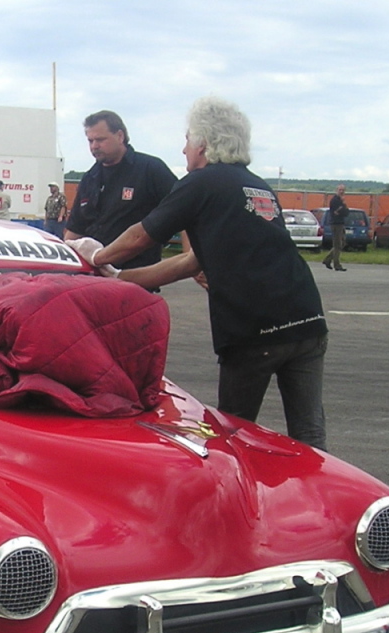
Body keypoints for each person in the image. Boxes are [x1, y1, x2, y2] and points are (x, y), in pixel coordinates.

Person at [69, 96, 329, 451]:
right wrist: (117, 277)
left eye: (188, 139)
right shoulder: (257, 185)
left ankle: (235, 501)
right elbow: (188, 263)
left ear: (204, 143)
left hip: (257, 329)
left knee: (234, 430)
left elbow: (142, 234)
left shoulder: (203, 182)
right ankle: (321, 499)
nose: (183, 149)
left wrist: (97, 254)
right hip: (308, 320)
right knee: (309, 432)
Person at [64, 110, 184, 269]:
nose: (94, 146)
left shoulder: (150, 169)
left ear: (120, 136)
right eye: (90, 141)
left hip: (136, 275)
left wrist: (191, 258)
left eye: (100, 139)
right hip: (94, 274)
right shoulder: (89, 178)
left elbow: (184, 212)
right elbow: (75, 229)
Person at [322, 184, 348, 271]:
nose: (341, 191)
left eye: (343, 190)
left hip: (341, 223)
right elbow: (337, 212)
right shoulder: (335, 200)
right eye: (340, 190)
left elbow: (346, 212)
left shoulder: (342, 201)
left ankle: (327, 259)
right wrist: (341, 209)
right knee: (337, 245)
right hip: (335, 224)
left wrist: (342, 208)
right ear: (336, 190)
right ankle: (337, 265)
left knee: (342, 243)